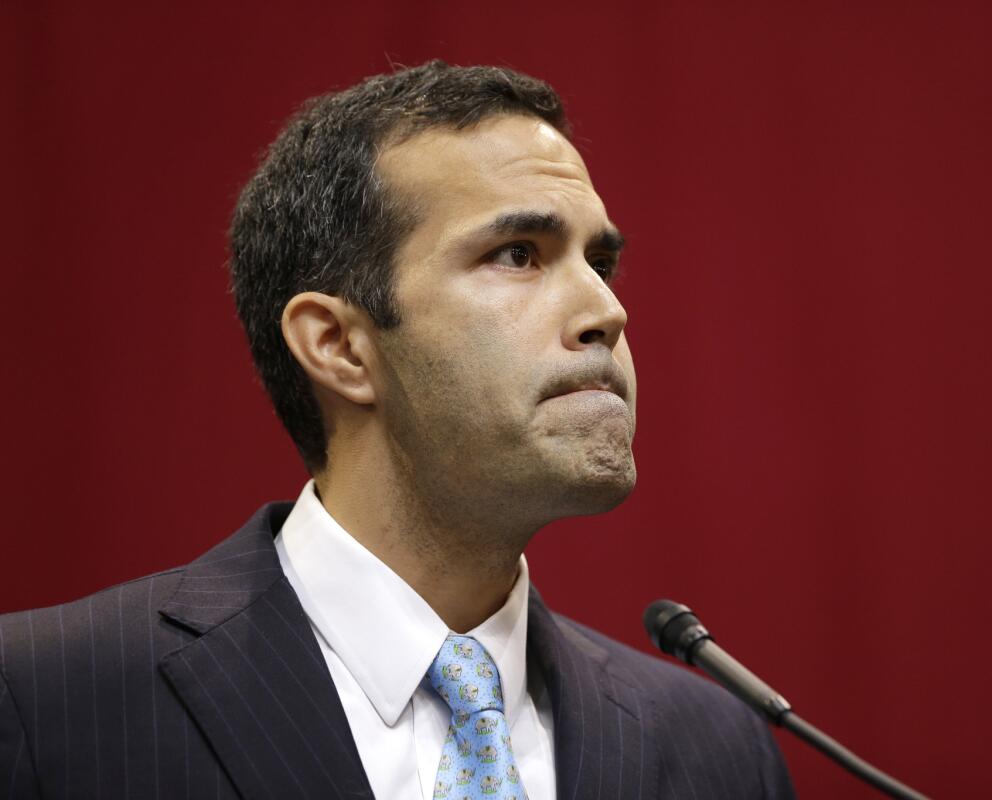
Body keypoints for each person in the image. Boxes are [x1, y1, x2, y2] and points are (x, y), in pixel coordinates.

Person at [0, 61, 795, 799]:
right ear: (339, 345)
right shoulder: (43, 701)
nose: (607, 313)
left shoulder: (717, 750)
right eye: (519, 253)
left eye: (600, 263)